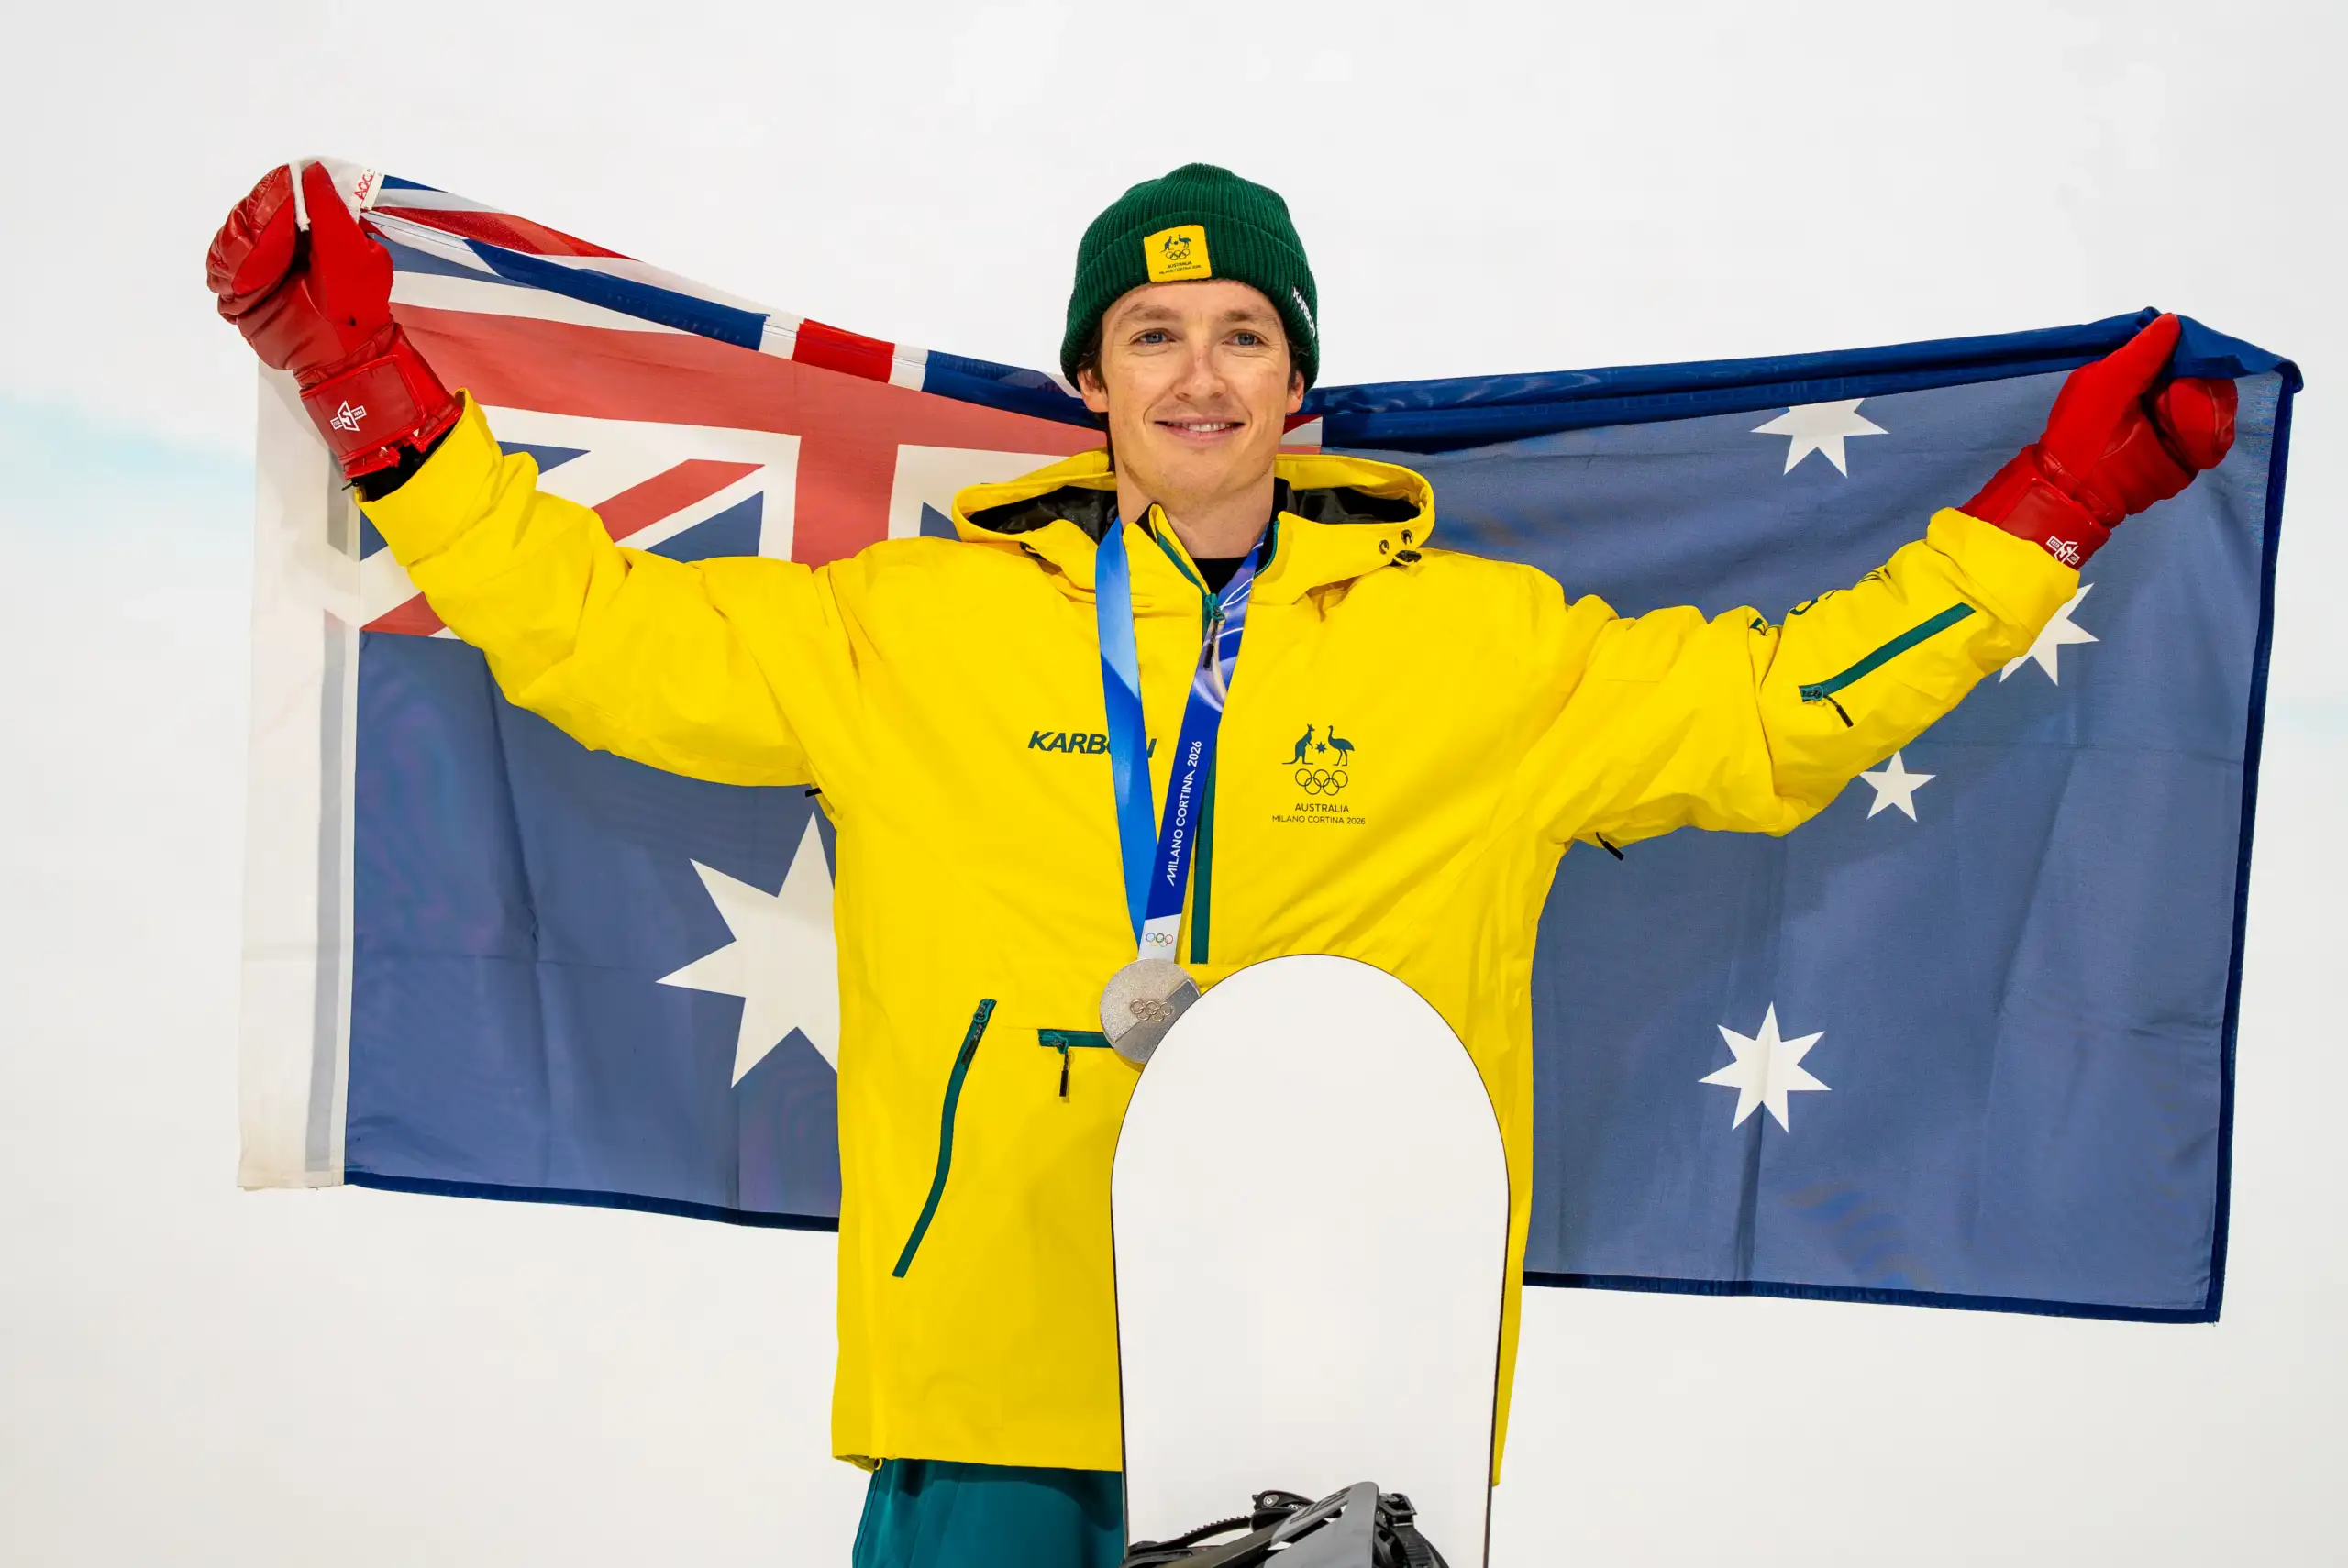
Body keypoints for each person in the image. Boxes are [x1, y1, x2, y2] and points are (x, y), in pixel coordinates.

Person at [208, 160, 2236, 1567]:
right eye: (1151, 332)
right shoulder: (904, 625)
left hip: (1331, 1379)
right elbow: (601, 636)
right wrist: (382, 404)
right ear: (1084, 384)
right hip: (989, 1364)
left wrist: (2046, 507)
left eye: (1241, 333)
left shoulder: (1485, 650)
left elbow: (1778, 714)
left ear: (1300, 383)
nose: (1196, 373)